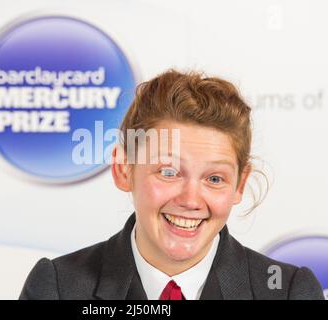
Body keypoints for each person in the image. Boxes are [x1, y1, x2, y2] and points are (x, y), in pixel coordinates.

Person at [19, 70, 324, 300]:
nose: (191, 200)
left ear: (239, 184)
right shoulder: (57, 287)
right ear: (124, 170)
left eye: (214, 179)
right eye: (168, 172)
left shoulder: (287, 292)